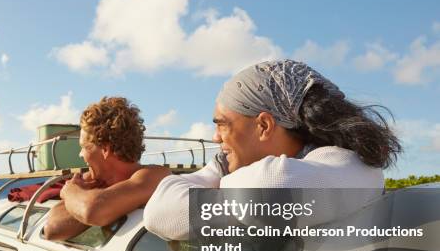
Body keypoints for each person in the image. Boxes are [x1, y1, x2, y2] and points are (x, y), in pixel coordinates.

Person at [144, 59, 402, 240]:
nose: (215, 137)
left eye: (223, 126)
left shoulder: (354, 167)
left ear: (264, 125)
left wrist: (211, 190)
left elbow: (265, 192)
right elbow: (160, 211)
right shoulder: (235, 166)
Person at [44, 96, 171, 241]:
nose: (81, 154)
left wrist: (69, 191)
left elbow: (92, 211)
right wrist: (87, 196)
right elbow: (52, 229)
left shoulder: (155, 176)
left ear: (105, 149)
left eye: (84, 147)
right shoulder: (93, 182)